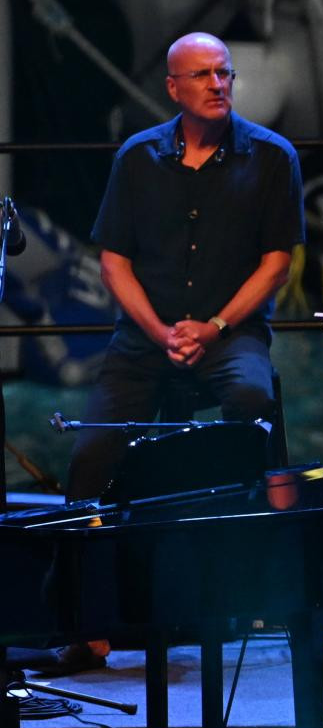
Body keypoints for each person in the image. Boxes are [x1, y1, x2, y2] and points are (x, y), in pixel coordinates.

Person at [66, 32, 300, 502]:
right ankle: (86, 543)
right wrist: (161, 333)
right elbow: (114, 263)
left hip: (231, 334)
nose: (217, 84)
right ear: (173, 88)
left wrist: (214, 328)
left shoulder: (273, 156)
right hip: (145, 338)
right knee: (90, 459)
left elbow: (276, 265)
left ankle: (246, 519)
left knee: (252, 400)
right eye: (202, 74)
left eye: (223, 73)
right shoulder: (137, 157)